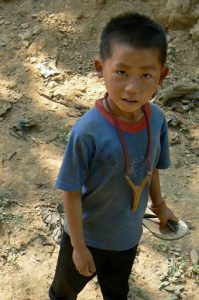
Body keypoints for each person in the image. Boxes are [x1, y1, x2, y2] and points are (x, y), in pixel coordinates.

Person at [49, 12, 179, 300]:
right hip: (86, 237)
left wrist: (160, 208)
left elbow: (151, 167)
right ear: (100, 68)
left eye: (146, 74)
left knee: (117, 291)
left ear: (162, 76)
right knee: (64, 292)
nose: (132, 87)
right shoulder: (88, 132)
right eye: (121, 72)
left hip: (126, 238)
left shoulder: (156, 119)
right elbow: (70, 191)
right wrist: (79, 248)